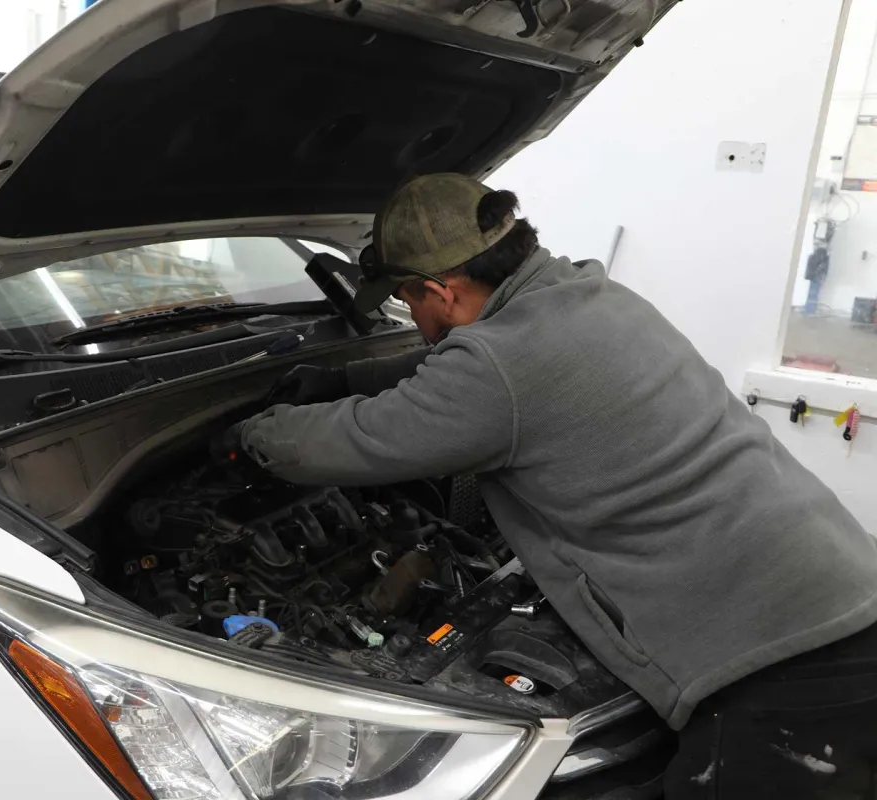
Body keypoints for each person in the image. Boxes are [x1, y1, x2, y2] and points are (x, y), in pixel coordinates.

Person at [214, 173, 877, 798]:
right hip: (841, 590)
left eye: (406, 298)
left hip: (778, 663)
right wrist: (346, 380)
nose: (409, 314)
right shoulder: (591, 296)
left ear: (439, 291)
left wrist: (247, 436)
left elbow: (352, 440)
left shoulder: (497, 370)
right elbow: (478, 367)